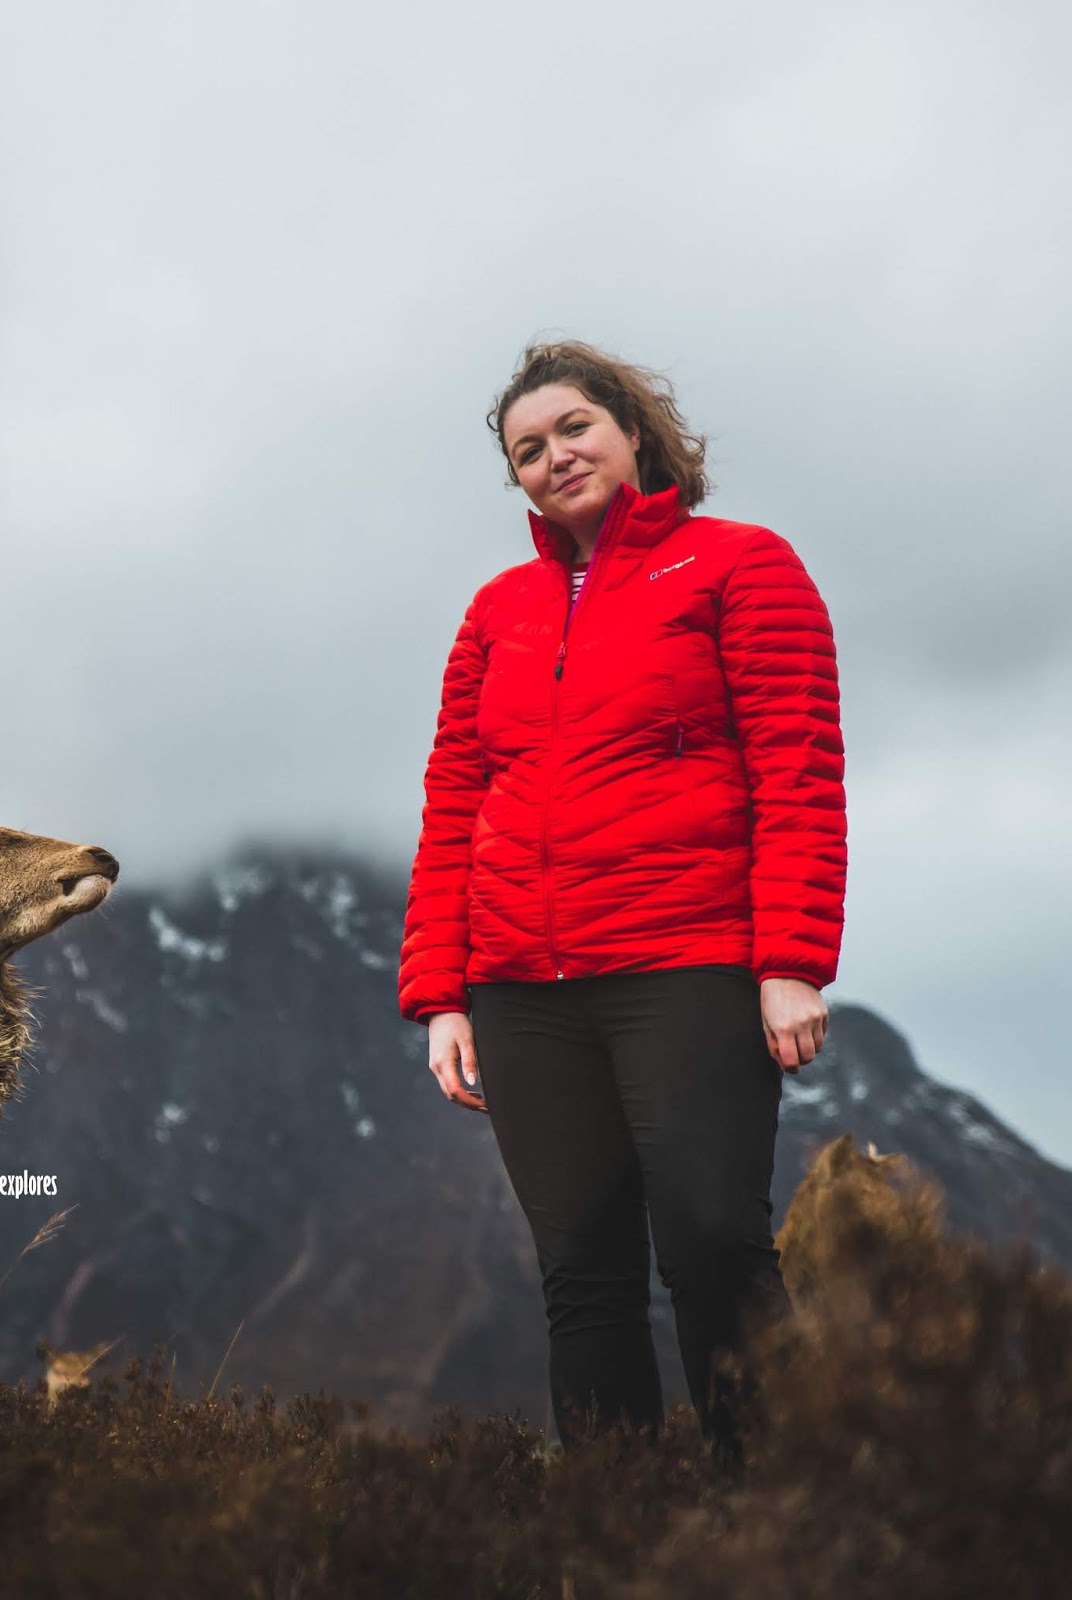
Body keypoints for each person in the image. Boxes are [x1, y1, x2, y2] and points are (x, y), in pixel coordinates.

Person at [398, 338, 847, 1472]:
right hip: (521, 990)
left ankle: (788, 1518)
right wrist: (439, 993)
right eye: (527, 451)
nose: (554, 458)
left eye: (573, 431)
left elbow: (795, 766)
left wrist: (790, 956)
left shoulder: (740, 566)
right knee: (581, 1276)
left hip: (686, 964)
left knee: (712, 1240)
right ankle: (617, 1533)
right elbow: (454, 798)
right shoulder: (497, 610)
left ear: (632, 431)